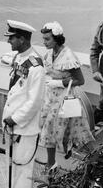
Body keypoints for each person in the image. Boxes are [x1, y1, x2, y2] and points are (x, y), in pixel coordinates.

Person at [0, 20, 45, 188]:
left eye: (12, 38)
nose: (9, 42)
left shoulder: (36, 66)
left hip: (24, 124)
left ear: (22, 39)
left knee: (23, 161)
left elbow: (35, 101)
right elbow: (16, 90)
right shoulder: (18, 58)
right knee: (11, 157)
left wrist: (15, 118)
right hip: (12, 120)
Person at [39, 22, 95, 174]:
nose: (44, 42)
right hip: (51, 97)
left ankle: (96, 162)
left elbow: (80, 81)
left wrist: (59, 82)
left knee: (75, 132)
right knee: (49, 130)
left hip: (66, 99)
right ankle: (51, 164)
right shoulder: (49, 54)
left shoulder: (68, 56)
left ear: (56, 39)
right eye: (43, 39)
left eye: (47, 39)